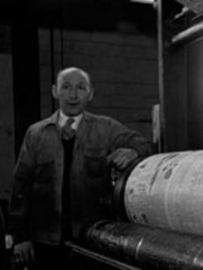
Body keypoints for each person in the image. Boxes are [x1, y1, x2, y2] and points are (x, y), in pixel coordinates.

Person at [8, 67, 153, 269]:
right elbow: (20, 187)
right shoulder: (36, 133)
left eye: (81, 88)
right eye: (66, 87)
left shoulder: (106, 128)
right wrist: (20, 237)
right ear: (54, 91)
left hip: (91, 241)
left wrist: (133, 152)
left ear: (90, 93)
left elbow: (145, 144)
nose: (73, 95)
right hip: (45, 242)